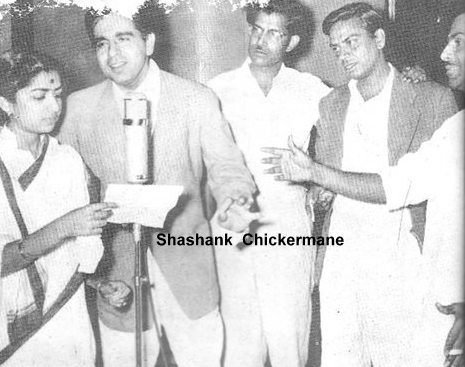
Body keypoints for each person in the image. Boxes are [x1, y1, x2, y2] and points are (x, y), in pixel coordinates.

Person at [57, 4, 257, 367]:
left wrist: (236, 200)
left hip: (188, 267)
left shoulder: (196, 99)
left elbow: (227, 167)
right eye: (102, 44)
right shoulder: (78, 108)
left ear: (148, 41)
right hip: (116, 276)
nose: (112, 54)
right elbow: (61, 185)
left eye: (123, 39)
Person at [262, 9, 464, 367]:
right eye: (336, 47)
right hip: (342, 262)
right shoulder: (330, 104)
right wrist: (315, 192)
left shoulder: (433, 99)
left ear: (380, 39)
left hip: (404, 263)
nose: (343, 55)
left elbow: (445, 200)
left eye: (351, 42)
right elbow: (323, 185)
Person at [208, 1, 329, 366]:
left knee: (288, 341)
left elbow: (351, 128)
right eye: (257, 29)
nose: (260, 40)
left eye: (274, 32)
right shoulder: (217, 90)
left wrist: (320, 182)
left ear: (291, 42)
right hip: (232, 225)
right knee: (239, 347)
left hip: (289, 224)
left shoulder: (312, 90)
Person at [0, 52, 118, 366]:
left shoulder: (68, 160)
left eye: (58, 95)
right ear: (5, 103)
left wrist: (98, 283)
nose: (54, 107)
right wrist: (65, 226)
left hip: (69, 315)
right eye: (39, 97)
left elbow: (72, 253)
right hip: (13, 323)